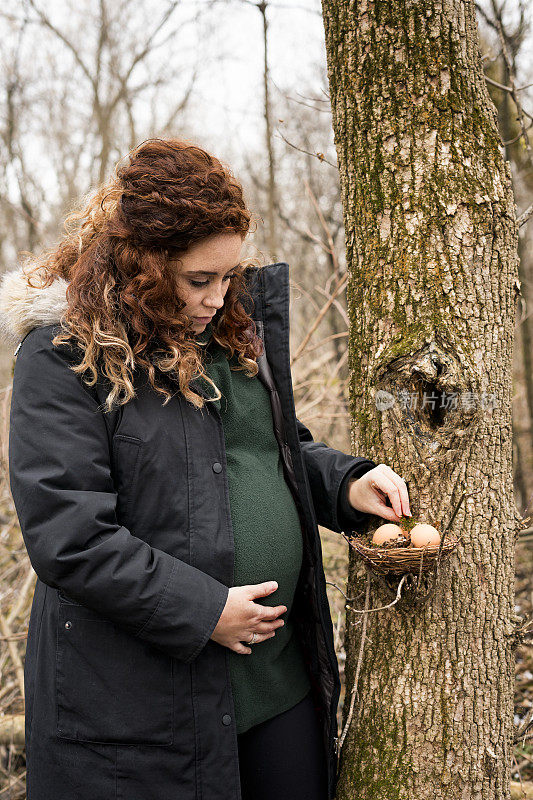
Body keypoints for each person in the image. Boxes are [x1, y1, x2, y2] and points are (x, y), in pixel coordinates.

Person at [0, 137, 411, 800]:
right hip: (138, 714)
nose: (219, 297)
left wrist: (346, 483)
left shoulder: (225, 337)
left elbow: (269, 451)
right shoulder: (63, 360)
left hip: (276, 686)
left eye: (228, 276)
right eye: (200, 280)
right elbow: (68, 536)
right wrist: (204, 609)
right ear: (143, 265)